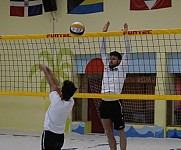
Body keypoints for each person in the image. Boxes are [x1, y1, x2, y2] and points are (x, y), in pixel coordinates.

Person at [99, 22, 131, 150]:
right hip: (104, 104)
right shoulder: (106, 66)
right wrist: (104, 33)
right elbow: (102, 49)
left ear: (119, 61)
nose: (111, 60)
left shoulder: (122, 68)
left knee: (121, 132)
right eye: (110, 58)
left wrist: (126, 34)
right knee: (109, 133)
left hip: (114, 104)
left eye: (114, 58)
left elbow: (128, 51)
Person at [39, 64, 77, 150]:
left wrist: (45, 70)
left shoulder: (56, 100)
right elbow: (57, 87)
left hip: (50, 135)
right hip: (60, 137)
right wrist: (51, 72)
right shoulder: (71, 102)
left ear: (62, 92)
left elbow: (53, 85)